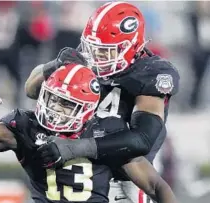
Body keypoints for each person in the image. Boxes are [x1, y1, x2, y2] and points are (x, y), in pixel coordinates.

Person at [0, 64, 177, 203]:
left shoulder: (105, 131)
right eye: (52, 99)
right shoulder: (28, 127)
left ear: (87, 108)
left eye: (65, 104)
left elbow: (156, 186)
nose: (55, 108)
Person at [24, 2, 180, 203]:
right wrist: (54, 66)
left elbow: (141, 139)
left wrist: (76, 147)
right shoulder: (88, 54)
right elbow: (31, 89)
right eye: (94, 48)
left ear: (130, 46)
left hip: (130, 174)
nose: (96, 58)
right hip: (85, 169)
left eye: (105, 51)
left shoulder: (152, 72)